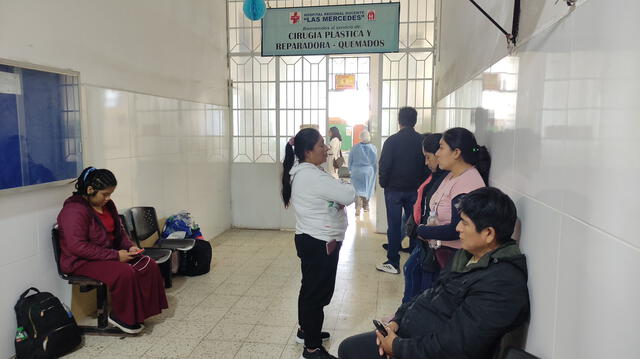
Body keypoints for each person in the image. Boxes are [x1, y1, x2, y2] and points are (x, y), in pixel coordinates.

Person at [338, 187, 530, 359]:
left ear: (488, 233)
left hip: (423, 350)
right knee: (349, 347)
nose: (457, 228)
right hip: (410, 338)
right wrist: (397, 320)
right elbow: (431, 293)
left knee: (351, 351)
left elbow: (456, 346)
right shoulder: (468, 256)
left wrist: (397, 348)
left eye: (464, 223)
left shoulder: (502, 284)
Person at [57, 167, 168, 334]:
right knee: (124, 272)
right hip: (80, 261)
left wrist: (129, 246)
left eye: (110, 194)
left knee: (148, 263)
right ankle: (122, 317)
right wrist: (115, 256)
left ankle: (139, 313)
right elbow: (77, 246)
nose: (108, 198)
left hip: (106, 254)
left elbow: (119, 232)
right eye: (105, 194)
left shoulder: (108, 205)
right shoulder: (73, 210)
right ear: (90, 190)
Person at [282, 128, 356, 359]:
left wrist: (336, 195)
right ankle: (312, 349)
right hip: (319, 242)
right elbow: (348, 195)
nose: (326, 149)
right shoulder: (311, 175)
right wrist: (344, 186)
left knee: (309, 288)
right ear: (308, 152)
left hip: (309, 238)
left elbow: (331, 198)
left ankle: (305, 331)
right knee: (317, 294)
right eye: (321, 145)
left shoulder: (304, 171)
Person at [415, 127, 491, 270]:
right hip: (441, 252)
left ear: (456, 153)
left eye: (441, 148)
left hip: (456, 258)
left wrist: (422, 231)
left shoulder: (467, 182)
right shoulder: (451, 175)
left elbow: (455, 230)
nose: (437, 154)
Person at [376, 107, 428, 274]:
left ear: (399, 121)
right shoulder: (422, 141)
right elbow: (426, 166)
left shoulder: (392, 141)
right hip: (415, 190)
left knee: (394, 225)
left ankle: (393, 261)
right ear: (415, 120)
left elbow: (384, 164)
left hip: (394, 190)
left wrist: (384, 183)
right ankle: (414, 258)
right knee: (414, 223)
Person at [401, 133, 449, 303]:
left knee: (421, 280)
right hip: (425, 238)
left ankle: (405, 318)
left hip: (434, 243)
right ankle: (403, 315)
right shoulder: (438, 176)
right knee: (411, 269)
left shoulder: (448, 179)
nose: (426, 162)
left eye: (428, 157)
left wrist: (421, 229)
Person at [348, 129, 377, 216]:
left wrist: (350, 170)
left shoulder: (355, 147)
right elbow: (375, 161)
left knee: (357, 191)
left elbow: (350, 160)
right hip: (368, 172)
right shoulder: (373, 148)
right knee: (367, 189)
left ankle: (357, 208)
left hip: (356, 171)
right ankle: (366, 206)